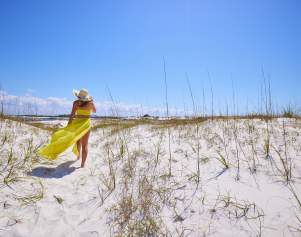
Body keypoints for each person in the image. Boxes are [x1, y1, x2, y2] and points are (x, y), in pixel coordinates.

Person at [38, 89, 96, 168]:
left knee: (77, 140)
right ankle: (82, 164)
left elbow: (72, 114)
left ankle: (78, 156)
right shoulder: (91, 103)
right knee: (85, 145)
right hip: (86, 124)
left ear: (79, 96)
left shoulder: (76, 103)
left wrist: (68, 125)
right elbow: (94, 111)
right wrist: (91, 103)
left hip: (77, 123)